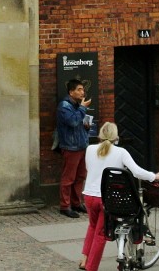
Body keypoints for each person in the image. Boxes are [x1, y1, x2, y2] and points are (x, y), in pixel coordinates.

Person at [79, 122, 159, 271]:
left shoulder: (90, 149)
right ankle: (91, 268)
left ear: (100, 135)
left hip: (88, 196)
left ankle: (84, 260)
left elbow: (89, 168)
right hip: (106, 199)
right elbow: (137, 172)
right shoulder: (121, 152)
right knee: (101, 234)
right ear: (116, 137)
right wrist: (154, 176)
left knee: (92, 227)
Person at [57, 78, 92, 218]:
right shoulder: (64, 106)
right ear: (71, 92)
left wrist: (86, 126)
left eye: (83, 89)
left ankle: (77, 203)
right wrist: (83, 108)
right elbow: (72, 121)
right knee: (68, 178)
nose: (82, 92)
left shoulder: (77, 105)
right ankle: (65, 206)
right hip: (70, 147)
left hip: (82, 146)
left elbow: (78, 124)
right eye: (79, 89)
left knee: (80, 177)